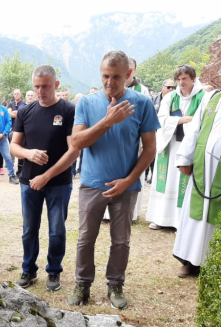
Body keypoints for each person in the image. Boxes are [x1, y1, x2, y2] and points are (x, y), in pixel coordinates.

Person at [67, 50, 160, 309]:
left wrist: (129, 180)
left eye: (116, 77)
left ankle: (115, 284)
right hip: (92, 184)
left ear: (129, 75)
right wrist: (107, 122)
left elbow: (150, 149)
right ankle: (82, 283)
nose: (110, 82)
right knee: (86, 238)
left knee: (121, 240)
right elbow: (76, 142)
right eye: (105, 76)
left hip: (126, 187)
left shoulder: (141, 103)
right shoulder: (86, 103)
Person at [10, 66, 79, 291]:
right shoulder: (25, 111)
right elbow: (13, 146)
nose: (40, 91)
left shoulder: (69, 110)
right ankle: (28, 270)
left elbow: (73, 151)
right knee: (29, 228)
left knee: (57, 229)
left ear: (56, 85)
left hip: (58, 182)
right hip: (29, 181)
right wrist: (29, 153)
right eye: (36, 86)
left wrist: (47, 175)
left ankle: (54, 271)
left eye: (45, 86)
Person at [146, 64, 205, 230]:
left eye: (184, 79)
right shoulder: (170, 97)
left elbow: (202, 120)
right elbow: (161, 119)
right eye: (178, 79)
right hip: (169, 144)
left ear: (193, 78)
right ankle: (160, 217)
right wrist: (182, 120)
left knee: (182, 180)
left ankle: (181, 221)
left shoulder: (202, 97)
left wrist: (188, 121)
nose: (181, 82)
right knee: (166, 180)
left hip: (188, 146)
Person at [173, 89, 221, 277]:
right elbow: (195, 128)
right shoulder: (212, 97)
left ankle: (213, 264)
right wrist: (185, 158)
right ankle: (191, 261)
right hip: (204, 167)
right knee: (196, 215)